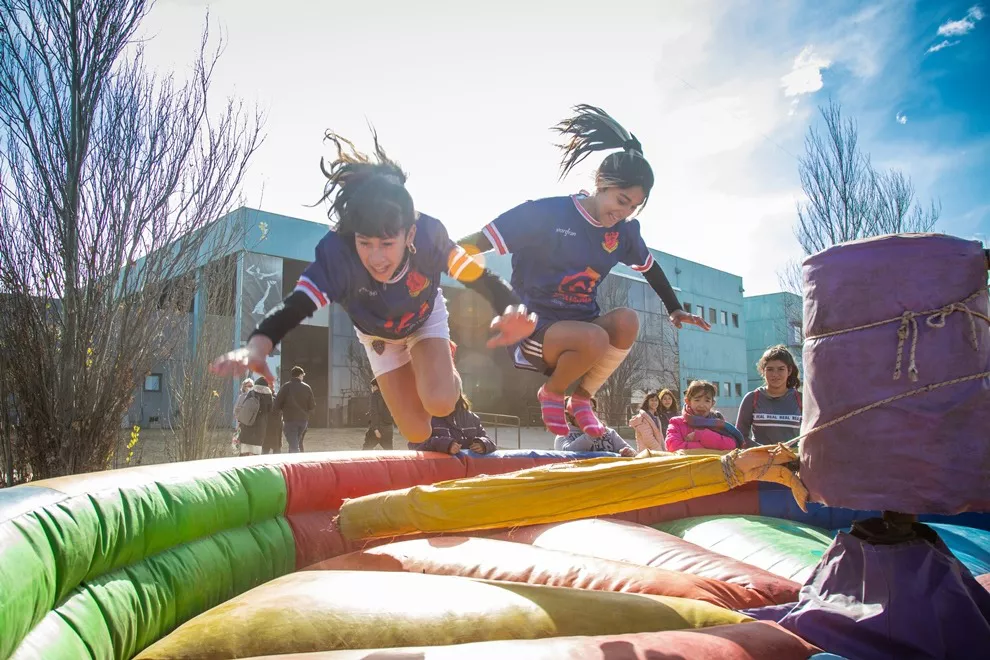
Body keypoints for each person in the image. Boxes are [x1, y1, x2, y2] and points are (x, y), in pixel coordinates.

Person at [210, 130, 536, 443]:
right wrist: (259, 345)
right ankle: (424, 372)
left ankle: (442, 363)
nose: (376, 259)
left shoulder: (431, 237)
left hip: (424, 320)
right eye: (365, 243)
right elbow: (295, 305)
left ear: (409, 235)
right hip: (378, 337)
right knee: (418, 432)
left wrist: (512, 307)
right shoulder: (337, 254)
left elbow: (480, 278)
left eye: (386, 243)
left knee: (440, 402)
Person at [457, 105, 709, 438]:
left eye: (633, 207)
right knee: (594, 337)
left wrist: (674, 308)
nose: (623, 213)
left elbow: (651, 268)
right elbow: (479, 241)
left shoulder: (622, 233)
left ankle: (581, 400)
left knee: (626, 321)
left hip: (583, 327)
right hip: (536, 328)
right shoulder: (547, 214)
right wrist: (431, 256)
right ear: (601, 183)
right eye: (621, 201)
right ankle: (552, 392)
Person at [736, 345, 803, 447]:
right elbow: (739, 437)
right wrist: (765, 451)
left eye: (781, 369)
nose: (775, 374)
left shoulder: (801, 399)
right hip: (760, 460)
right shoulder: (751, 399)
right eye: (770, 369)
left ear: (789, 371)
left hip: (793, 460)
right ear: (763, 371)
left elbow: (811, 437)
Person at [665, 380, 745, 452]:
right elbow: (672, 446)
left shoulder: (717, 422)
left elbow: (731, 445)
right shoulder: (677, 423)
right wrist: (711, 448)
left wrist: (701, 435)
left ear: (712, 403)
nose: (702, 405)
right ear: (688, 401)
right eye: (697, 400)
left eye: (707, 401)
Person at [412, 389, 497, 455]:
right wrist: (444, 445)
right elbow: (415, 446)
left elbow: (490, 442)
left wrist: (483, 445)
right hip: (437, 472)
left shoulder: (472, 418)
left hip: (468, 474)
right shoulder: (426, 417)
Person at [555, 397, 636, 456]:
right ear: (572, 415)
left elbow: (633, 453)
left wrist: (628, 452)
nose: (592, 414)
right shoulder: (564, 435)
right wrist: (591, 434)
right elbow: (567, 455)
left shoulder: (609, 433)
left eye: (593, 409)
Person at [274, 365, 315, 453]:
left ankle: (297, 463)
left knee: (294, 446)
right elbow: (312, 406)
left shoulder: (286, 387)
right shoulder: (307, 387)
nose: (303, 377)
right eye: (303, 375)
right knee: (296, 443)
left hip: (290, 420)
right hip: (303, 421)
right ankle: (294, 464)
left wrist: (282, 410)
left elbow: (277, 403)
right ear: (300, 375)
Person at [237, 376, 274, 456]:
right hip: (260, 428)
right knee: (256, 453)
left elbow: (244, 408)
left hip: (247, 425)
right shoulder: (268, 395)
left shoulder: (251, 393)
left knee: (244, 452)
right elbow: (270, 410)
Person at [363, 378, 394, 450]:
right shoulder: (389, 395)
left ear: (376, 386)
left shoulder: (375, 395)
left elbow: (374, 413)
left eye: (372, 386)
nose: (372, 388)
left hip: (378, 428)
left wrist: (375, 429)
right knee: (389, 453)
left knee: (366, 451)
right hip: (388, 429)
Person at [232, 378, 254, 454]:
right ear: (244, 387)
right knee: (242, 446)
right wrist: (240, 419)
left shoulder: (254, 397)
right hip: (242, 425)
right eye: (249, 386)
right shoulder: (242, 397)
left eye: (252, 386)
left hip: (252, 426)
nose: (251, 387)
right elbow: (235, 410)